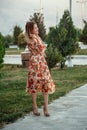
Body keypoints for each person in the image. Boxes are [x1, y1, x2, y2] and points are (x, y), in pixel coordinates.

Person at [25, 21, 56, 117]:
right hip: (35, 64)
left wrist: (42, 47)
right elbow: (41, 48)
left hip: (42, 63)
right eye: (35, 28)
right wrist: (41, 46)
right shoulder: (31, 39)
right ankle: (34, 107)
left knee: (46, 83)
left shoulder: (37, 37)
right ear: (30, 30)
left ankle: (45, 107)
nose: (37, 29)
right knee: (34, 85)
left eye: (37, 27)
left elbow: (42, 50)